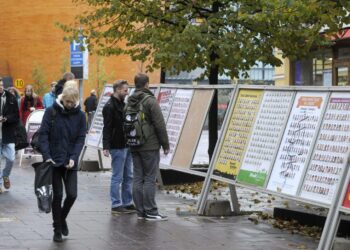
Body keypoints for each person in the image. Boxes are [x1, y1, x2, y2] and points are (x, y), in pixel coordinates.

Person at [39, 81, 86, 242]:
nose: (70, 105)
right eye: (67, 102)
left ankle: (62, 218)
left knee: (72, 194)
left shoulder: (80, 115)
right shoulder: (51, 112)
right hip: (54, 161)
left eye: (73, 102)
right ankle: (57, 230)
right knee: (57, 196)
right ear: (63, 98)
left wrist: (74, 157)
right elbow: (43, 134)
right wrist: (47, 156)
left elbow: (81, 138)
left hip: (70, 161)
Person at [126, 73, 169, 221]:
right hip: (149, 145)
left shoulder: (129, 101)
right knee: (150, 178)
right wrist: (165, 144)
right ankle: (151, 211)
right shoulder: (150, 101)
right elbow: (159, 124)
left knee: (137, 177)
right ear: (146, 85)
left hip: (133, 143)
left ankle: (140, 212)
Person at [102, 80, 135, 214]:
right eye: (125, 90)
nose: (127, 93)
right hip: (117, 146)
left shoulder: (123, 105)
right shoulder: (109, 106)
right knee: (117, 177)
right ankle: (116, 204)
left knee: (129, 175)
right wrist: (106, 146)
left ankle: (127, 203)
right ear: (117, 90)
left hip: (127, 144)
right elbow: (107, 127)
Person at [0, 79, 20, 194]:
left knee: (11, 159)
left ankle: (6, 175)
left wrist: (6, 119)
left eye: (2, 85)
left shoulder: (11, 97)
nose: (1, 87)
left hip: (8, 133)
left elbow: (16, 116)